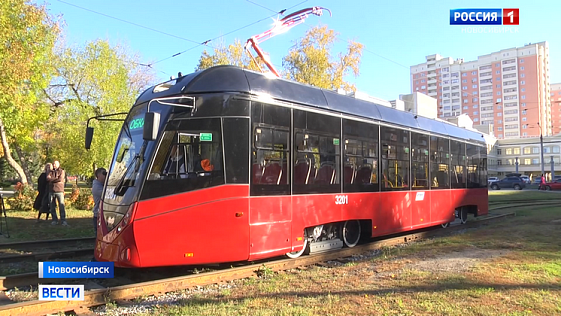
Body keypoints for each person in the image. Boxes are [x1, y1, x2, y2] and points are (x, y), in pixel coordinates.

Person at [47, 160, 67, 226]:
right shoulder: (50, 171)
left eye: (55, 164)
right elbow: (47, 178)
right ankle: (54, 220)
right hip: (51, 190)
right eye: (53, 164)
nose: (54, 165)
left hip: (59, 190)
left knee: (61, 205)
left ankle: (63, 220)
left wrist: (52, 179)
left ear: (58, 164)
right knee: (52, 206)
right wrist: (55, 179)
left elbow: (60, 179)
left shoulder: (61, 171)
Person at [92, 168, 106, 234]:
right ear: (99, 175)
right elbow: (106, 195)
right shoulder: (96, 187)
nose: (105, 175)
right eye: (104, 173)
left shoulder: (102, 185)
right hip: (98, 215)